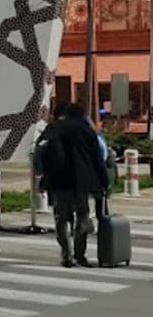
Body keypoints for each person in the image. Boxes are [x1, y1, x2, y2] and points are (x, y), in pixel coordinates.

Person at [39, 103, 111, 268]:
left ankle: (67, 255)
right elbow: (97, 158)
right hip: (82, 181)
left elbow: (43, 154)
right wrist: (105, 182)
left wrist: (44, 176)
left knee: (61, 218)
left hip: (59, 180)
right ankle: (80, 254)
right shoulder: (87, 131)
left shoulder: (53, 128)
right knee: (82, 216)